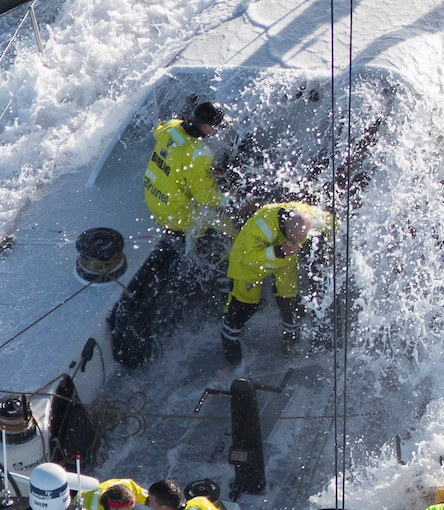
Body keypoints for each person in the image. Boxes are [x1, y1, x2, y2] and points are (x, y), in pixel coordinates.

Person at [220, 201, 334, 363]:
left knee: (289, 302)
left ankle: (291, 343)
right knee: (242, 308)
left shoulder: (306, 215)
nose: (296, 245)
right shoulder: (261, 225)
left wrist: (332, 248)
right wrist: (278, 251)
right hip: (249, 266)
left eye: (299, 242)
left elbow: (330, 222)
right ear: (286, 221)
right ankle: (232, 355)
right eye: (293, 240)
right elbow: (249, 257)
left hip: (284, 262)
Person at [143, 102, 231, 240]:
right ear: (206, 127)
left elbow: (156, 130)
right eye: (217, 127)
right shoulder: (199, 153)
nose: (219, 130)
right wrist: (233, 201)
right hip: (175, 216)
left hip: (152, 199)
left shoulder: (171, 126)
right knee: (230, 227)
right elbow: (204, 196)